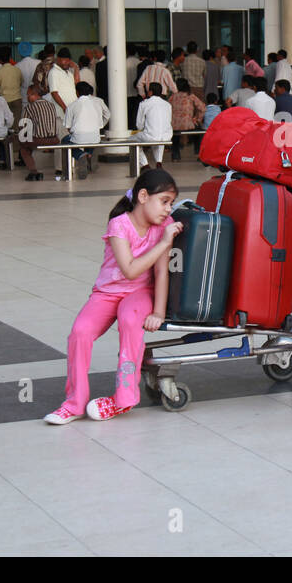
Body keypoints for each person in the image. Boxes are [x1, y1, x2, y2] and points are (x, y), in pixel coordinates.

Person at [44, 169, 183, 424]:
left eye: (171, 203)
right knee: (80, 332)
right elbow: (129, 270)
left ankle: (124, 399)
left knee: (130, 321)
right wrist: (163, 243)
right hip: (107, 292)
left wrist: (158, 313)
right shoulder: (119, 224)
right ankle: (74, 403)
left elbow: (162, 272)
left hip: (141, 293)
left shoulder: (164, 225)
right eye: (163, 201)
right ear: (143, 196)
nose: (167, 209)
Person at [62, 81, 111, 179]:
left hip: (79, 136)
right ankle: (89, 155)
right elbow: (108, 115)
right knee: (91, 139)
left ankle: (81, 155)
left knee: (65, 141)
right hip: (95, 137)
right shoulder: (98, 101)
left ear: (77, 92)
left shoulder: (72, 105)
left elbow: (68, 126)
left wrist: (74, 132)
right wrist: (100, 125)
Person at [12, 84, 61, 181]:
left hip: (39, 140)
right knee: (28, 144)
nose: (27, 97)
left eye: (28, 95)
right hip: (54, 139)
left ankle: (33, 172)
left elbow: (23, 125)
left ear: (34, 94)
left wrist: (19, 135)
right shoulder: (51, 105)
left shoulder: (30, 107)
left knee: (24, 148)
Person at [135, 82, 172, 171]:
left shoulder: (144, 103)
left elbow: (139, 125)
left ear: (150, 92)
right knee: (159, 138)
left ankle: (145, 165)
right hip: (167, 136)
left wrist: (144, 129)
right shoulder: (167, 105)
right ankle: (159, 162)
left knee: (132, 140)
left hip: (151, 136)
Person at [168, 77, 204, 160]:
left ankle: (175, 155)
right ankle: (198, 152)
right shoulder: (191, 96)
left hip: (174, 125)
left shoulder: (173, 97)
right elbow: (202, 108)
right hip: (188, 124)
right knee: (198, 133)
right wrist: (197, 119)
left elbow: (167, 108)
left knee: (175, 137)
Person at [0, 46, 23, 125]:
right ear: (10, 58)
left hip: (4, 100)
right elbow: (21, 82)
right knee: (16, 123)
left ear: (1, 60)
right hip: (17, 99)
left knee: (5, 124)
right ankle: (15, 136)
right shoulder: (17, 69)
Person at [47, 48, 80, 114]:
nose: (67, 63)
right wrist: (64, 108)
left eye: (69, 61)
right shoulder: (54, 72)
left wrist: (76, 68)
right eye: (65, 61)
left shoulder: (69, 73)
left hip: (71, 110)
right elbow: (54, 93)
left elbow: (77, 85)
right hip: (61, 112)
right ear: (58, 59)